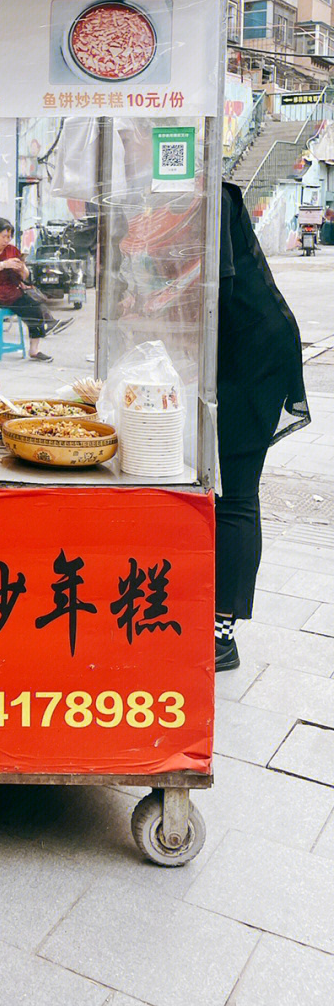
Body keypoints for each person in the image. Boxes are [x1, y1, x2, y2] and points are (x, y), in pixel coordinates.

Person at [215, 181, 310, 670]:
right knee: (223, 493)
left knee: (235, 494)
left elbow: (217, 288)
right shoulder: (181, 194)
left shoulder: (213, 195)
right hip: (232, 354)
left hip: (254, 359)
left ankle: (222, 636)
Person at [0, 217, 68, 363]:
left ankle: (34, 350)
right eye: (3, 236)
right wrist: (3, 265)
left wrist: (22, 269)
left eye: (9, 237)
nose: (6, 240)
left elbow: (26, 277)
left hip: (11, 292)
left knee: (34, 309)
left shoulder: (12, 250)